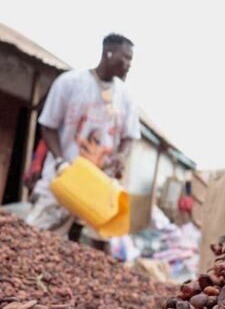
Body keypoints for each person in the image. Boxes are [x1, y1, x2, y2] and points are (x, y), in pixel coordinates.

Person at [25, 33, 140, 251]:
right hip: (64, 178)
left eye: (131, 60)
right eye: (125, 58)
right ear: (109, 53)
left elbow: (129, 136)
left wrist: (120, 156)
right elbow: (48, 126)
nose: (128, 65)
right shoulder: (70, 82)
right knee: (35, 243)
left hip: (98, 186)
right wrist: (60, 161)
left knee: (95, 252)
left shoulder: (125, 97)